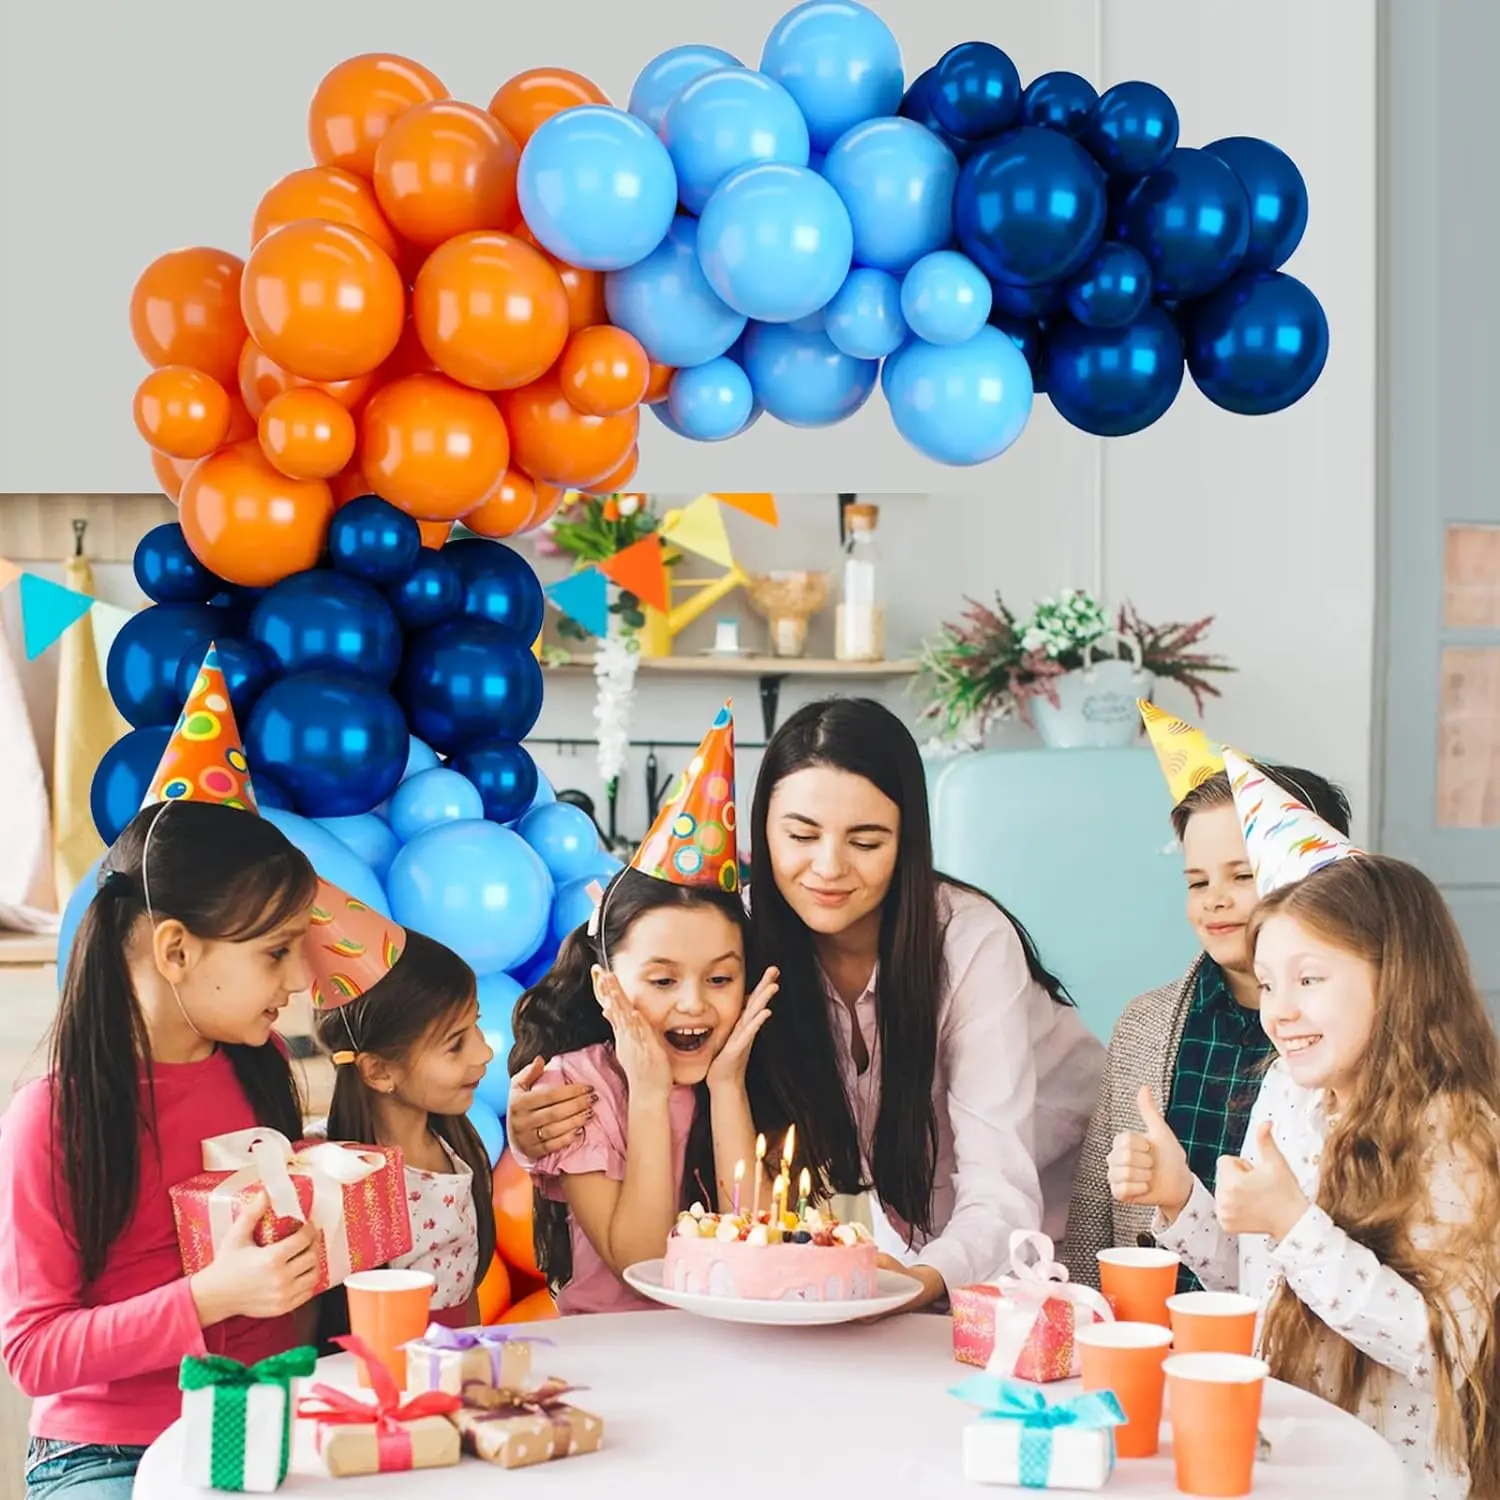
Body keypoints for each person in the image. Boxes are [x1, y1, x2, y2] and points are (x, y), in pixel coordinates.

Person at [512, 697, 1103, 1308]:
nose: (828, 867)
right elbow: (618, 1008)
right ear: (761, 830)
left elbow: (1001, 1197)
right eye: (800, 834)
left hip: (1065, 1214)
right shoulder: (733, 945)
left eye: (866, 842)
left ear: (908, 841)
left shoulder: (968, 942)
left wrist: (913, 1286)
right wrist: (532, 1127)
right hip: (920, 1246)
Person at [1109, 751, 1500, 1500]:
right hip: (1282, 1454)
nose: (1277, 1010)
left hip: (1388, 1479)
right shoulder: (1288, 1094)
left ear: (1397, 979)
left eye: (1310, 979)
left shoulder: (1457, 1133)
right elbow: (1265, 1282)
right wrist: (1179, 1202)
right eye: (1269, 982)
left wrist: (1292, 1222)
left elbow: (1443, 1348)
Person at [0, 799, 323, 1500]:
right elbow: (32, 1351)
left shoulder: (258, 1062)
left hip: (275, 1424)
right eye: (275, 952)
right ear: (175, 951)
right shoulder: (54, 1115)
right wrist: (208, 1298)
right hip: (109, 1453)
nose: (298, 980)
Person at [1063, 703, 1353, 1289]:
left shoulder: (1352, 1038)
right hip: (1152, 1340)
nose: (1214, 900)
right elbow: (1095, 1214)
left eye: (1242, 876)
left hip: (1299, 1358)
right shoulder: (1146, 1025)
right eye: (1197, 882)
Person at [508, 706, 778, 1314]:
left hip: (735, 1355)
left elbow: (762, 1249)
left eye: (720, 978)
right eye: (661, 979)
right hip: (614, 1361)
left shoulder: (750, 1067)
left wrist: (729, 1086)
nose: (693, 1003)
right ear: (607, 984)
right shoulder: (576, 1087)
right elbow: (640, 1262)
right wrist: (650, 1093)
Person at [310, 893, 495, 1331]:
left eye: (477, 1026)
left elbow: (466, 1305)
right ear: (378, 1071)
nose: (484, 1051)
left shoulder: (458, 1149)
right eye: (456, 1043)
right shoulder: (324, 1172)